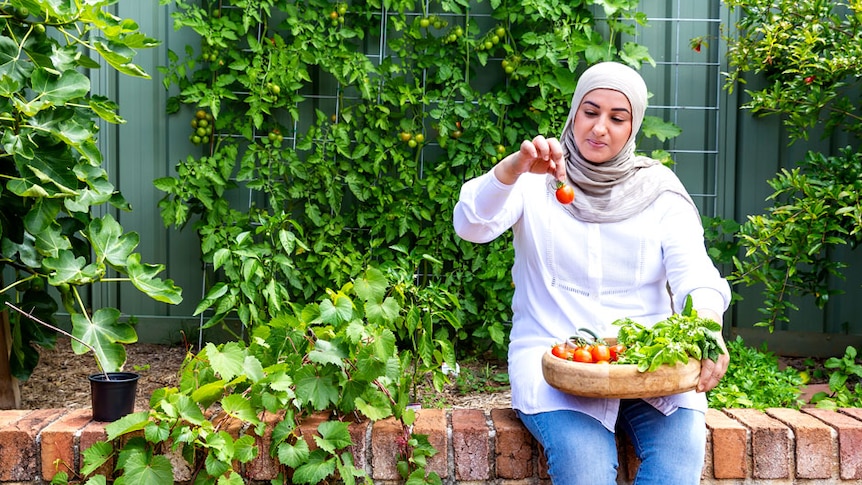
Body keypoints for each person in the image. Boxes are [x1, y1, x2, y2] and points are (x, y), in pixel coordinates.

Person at [452, 61, 731, 484]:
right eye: (590, 111)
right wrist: (512, 169)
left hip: (648, 366)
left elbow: (695, 271)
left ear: (632, 127)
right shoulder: (535, 180)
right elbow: (470, 225)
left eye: (617, 118)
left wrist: (708, 325)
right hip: (557, 364)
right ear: (573, 114)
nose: (600, 128)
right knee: (585, 470)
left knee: (677, 465)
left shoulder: (658, 190)